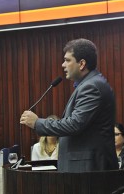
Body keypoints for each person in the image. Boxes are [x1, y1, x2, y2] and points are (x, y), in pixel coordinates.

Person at [20, 38, 118, 172]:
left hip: (89, 171)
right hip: (85, 169)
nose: (62, 65)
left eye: (67, 60)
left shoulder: (92, 87)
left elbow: (74, 124)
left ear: (82, 63)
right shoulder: (88, 84)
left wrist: (37, 123)